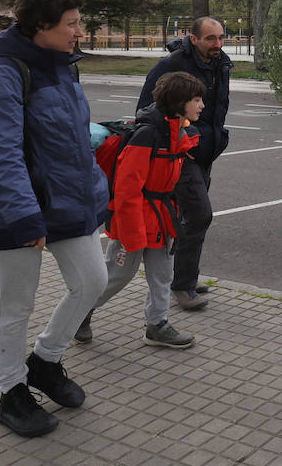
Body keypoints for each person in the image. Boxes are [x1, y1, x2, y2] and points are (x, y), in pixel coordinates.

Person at [0, 0, 110, 438]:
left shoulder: (63, 67)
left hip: (64, 203)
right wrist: (25, 217)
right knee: (14, 306)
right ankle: (11, 392)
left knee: (92, 281)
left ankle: (44, 361)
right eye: (72, 23)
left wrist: (97, 191)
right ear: (41, 25)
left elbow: (70, 143)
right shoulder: (5, 74)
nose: (80, 31)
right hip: (10, 211)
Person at [76, 71, 204, 348]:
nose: (201, 105)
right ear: (179, 101)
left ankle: (157, 325)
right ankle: (79, 313)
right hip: (133, 219)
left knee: (162, 275)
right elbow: (126, 189)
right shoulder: (147, 136)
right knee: (116, 275)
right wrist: (132, 233)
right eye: (196, 99)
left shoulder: (175, 132)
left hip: (160, 219)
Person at [136, 16, 231, 310]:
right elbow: (146, 109)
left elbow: (216, 109)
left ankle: (184, 277)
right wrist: (181, 139)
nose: (218, 44)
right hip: (182, 152)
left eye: (221, 38)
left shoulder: (221, 64)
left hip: (205, 152)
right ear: (194, 39)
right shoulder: (172, 65)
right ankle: (181, 286)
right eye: (210, 39)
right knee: (200, 213)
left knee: (193, 217)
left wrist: (216, 140)